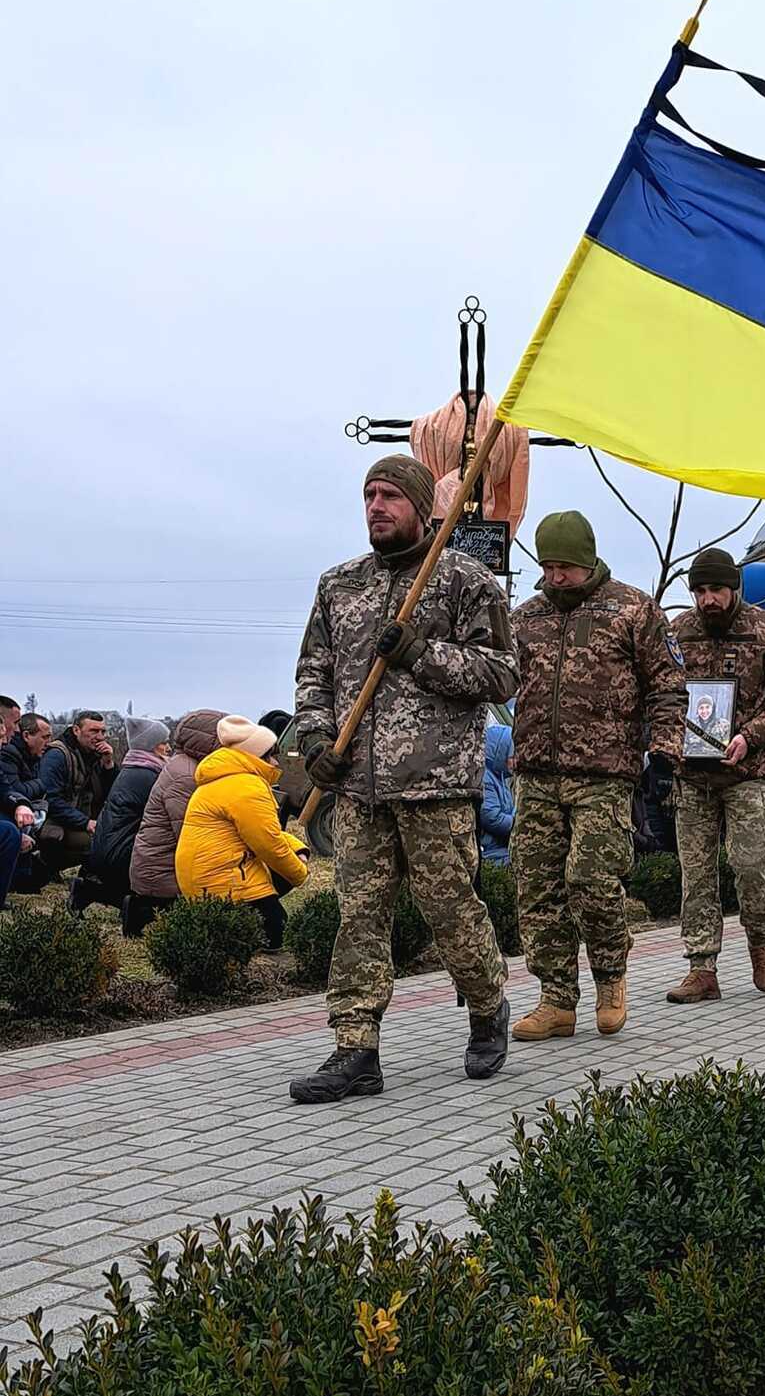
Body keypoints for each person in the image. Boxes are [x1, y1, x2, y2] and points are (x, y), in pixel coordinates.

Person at [291, 457, 517, 1102]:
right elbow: (314, 677)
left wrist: (421, 652)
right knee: (358, 917)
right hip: (359, 789)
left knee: (448, 910)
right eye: (369, 495)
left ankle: (485, 1005)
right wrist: (314, 743)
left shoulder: (464, 582)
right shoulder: (339, 586)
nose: (377, 506)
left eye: (391, 495)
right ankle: (355, 1048)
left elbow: (502, 676)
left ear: (420, 506)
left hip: (435, 784)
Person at [508, 510, 686, 1042]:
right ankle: (556, 999)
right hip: (537, 772)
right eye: (548, 567)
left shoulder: (633, 610)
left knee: (591, 879)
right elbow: (497, 679)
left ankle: (611, 977)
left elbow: (669, 684)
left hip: (604, 775)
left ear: (589, 561)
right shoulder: (526, 618)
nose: (556, 577)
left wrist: (665, 749)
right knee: (536, 887)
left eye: (567, 567)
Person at [668, 546, 765, 1000]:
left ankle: (759, 942)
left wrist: (751, 734)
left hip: (747, 771)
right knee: (696, 874)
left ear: (735, 589)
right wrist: (671, 742)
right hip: (691, 774)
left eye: (717, 590)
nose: (709, 599)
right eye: (701, 591)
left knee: (751, 865)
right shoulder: (678, 632)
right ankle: (701, 966)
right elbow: (660, 693)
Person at [175, 716, 309, 949]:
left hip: (202, 883)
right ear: (253, 756)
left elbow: (262, 832)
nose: (276, 763)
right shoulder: (247, 787)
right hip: (226, 887)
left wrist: (297, 846)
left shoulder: (219, 781)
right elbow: (269, 845)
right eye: (269, 756)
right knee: (279, 937)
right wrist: (300, 872)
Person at [127, 707, 227, 935]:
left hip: (160, 865)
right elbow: (188, 832)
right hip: (162, 874)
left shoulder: (186, 765)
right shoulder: (186, 775)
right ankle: (141, 911)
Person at [71, 718, 171, 916]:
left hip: (108, 847)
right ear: (150, 746)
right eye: (163, 742)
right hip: (122, 851)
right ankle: (137, 909)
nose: (168, 748)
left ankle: (87, 891)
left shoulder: (133, 769)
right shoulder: (148, 775)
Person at [33, 710, 115, 880]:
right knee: (98, 844)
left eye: (102, 731)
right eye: (93, 731)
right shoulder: (57, 755)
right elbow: (50, 799)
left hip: (79, 819)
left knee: (110, 841)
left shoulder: (95, 755)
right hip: (56, 823)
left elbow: (111, 793)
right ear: (76, 730)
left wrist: (109, 764)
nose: (100, 737)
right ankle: (43, 863)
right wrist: (85, 823)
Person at [0, 712, 52, 892]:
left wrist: (20, 804)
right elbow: (17, 789)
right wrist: (44, 783)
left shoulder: (34, 756)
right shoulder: (10, 754)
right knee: (10, 832)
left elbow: (6, 791)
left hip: (24, 816)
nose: (5, 742)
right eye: (45, 737)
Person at [479, 718, 515, 864]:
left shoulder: (500, 777)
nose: (515, 761)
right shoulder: (485, 778)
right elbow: (493, 819)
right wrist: (518, 819)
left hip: (502, 848)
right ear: (500, 752)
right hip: (493, 853)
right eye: (512, 756)